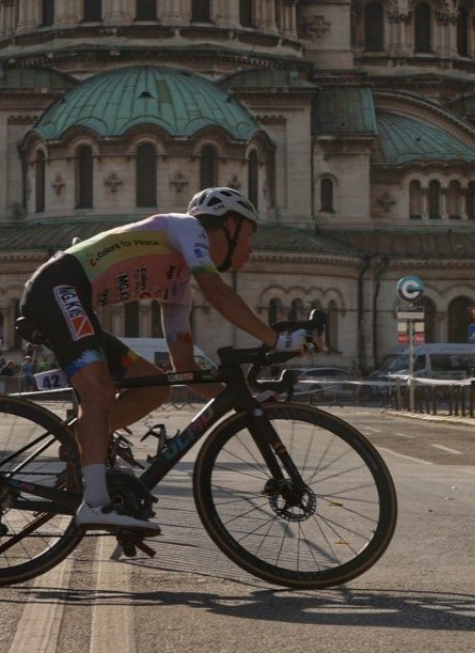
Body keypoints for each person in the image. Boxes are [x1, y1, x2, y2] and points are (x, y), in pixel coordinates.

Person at [17, 187, 309, 534]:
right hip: (59, 288)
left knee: (154, 388)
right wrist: (277, 338)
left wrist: (244, 398)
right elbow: (216, 291)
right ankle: (95, 503)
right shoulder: (185, 228)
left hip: (75, 300)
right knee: (99, 394)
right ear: (230, 225)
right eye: (248, 235)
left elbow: (185, 368)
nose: (251, 248)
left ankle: (79, 444)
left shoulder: (178, 288)